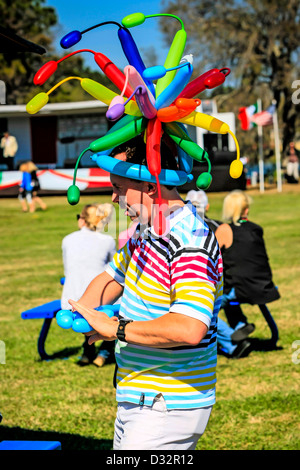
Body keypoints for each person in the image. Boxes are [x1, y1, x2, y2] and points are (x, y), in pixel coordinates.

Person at [68, 136, 223, 451]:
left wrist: (116, 329)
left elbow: (189, 328)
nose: (113, 198)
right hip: (140, 397)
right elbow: (111, 278)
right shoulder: (147, 231)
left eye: (120, 188)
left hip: (167, 401)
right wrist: (80, 312)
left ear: (151, 184)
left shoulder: (188, 240)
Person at [186, 189, 254, 358]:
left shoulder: (181, 229)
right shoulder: (218, 226)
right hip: (228, 281)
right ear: (207, 206)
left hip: (199, 285)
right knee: (226, 298)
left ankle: (232, 342)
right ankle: (239, 327)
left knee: (203, 309)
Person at [215, 190, 280, 331]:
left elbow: (210, 257)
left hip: (239, 289)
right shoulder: (256, 229)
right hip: (264, 285)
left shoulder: (225, 230)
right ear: (247, 209)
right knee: (229, 291)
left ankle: (231, 339)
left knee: (206, 307)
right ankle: (240, 326)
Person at [61, 203, 116, 367]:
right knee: (114, 296)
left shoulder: (67, 239)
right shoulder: (107, 240)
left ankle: (88, 349)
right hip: (99, 298)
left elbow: (67, 270)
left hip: (70, 298)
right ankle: (105, 349)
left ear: (82, 220)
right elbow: (114, 270)